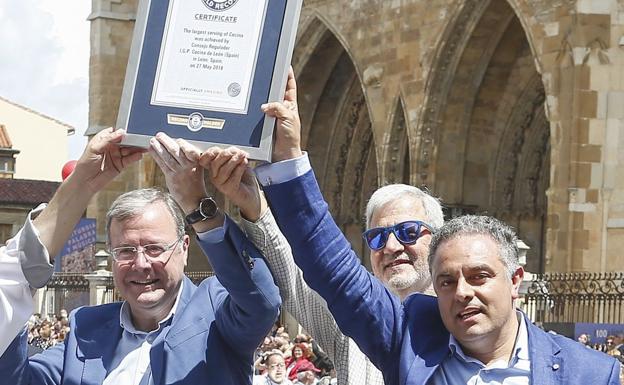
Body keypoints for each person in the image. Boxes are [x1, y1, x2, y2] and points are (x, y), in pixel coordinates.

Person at [229, 72, 621, 384]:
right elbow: (328, 264)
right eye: (448, 281)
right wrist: (287, 162)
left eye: (479, 276)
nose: (463, 292)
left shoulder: (587, 373)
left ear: (515, 279)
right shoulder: (405, 338)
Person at [204, 68, 443, 385]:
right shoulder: (354, 327)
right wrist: (253, 204)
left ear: (440, 242)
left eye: (408, 232)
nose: (392, 246)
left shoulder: (465, 326)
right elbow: (297, 275)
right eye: (377, 237)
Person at [0, 128, 281, 385]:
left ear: (184, 248)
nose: (141, 263)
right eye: (125, 251)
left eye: (154, 248)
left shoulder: (216, 312)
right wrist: (81, 183)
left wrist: (198, 207)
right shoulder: (86, 329)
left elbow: (262, 303)